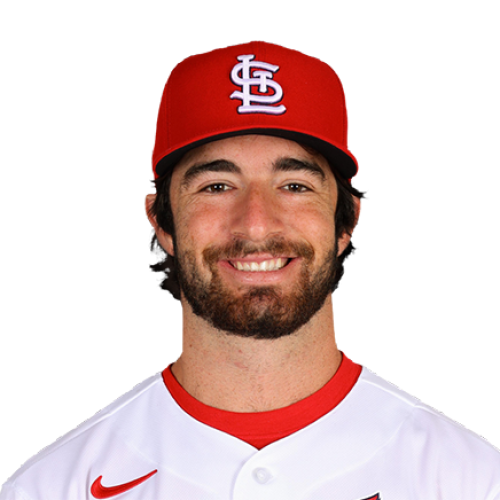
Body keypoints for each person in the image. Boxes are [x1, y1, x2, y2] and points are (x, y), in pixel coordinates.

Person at [1, 41, 499, 500]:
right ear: (161, 221)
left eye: (295, 185)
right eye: (216, 186)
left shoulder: (471, 479)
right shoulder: (50, 488)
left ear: (346, 222)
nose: (256, 223)